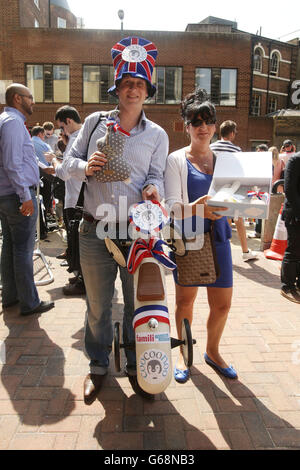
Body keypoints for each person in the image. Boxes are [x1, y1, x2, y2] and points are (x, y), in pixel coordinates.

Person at [61, 36, 169, 404]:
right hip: (93, 227)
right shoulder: (93, 123)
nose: (133, 90)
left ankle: (140, 367)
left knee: (138, 303)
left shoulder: (157, 135)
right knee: (97, 304)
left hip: (137, 232)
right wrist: (82, 165)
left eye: (139, 84)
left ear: (147, 91)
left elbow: (155, 175)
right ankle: (98, 365)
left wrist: (153, 189)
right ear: (118, 88)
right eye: (127, 84)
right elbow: (64, 165)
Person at [164, 88, 237, 384]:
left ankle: (212, 351)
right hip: (189, 241)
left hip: (220, 238)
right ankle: (183, 353)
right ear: (186, 126)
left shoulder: (227, 159)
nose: (203, 127)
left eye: (208, 121)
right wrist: (196, 210)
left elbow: (240, 196)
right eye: (196, 122)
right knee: (185, 302)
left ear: (215, 125)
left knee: (222, 304)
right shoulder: (176, 160)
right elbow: (170, 207)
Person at [0, 83, 54, 315]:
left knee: (10, 247)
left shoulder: (7, 122)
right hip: (16, 196)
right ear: (17, 98)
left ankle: (11, 296)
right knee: (23, 249)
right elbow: (12, 163)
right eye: (30, 97)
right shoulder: (12, 123)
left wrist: (44, 168)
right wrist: (25, 195)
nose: (34, 101)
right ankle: (29, 302)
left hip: (8, 195)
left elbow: (23, 157)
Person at [210, 120, 258, 261]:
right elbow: (240, 172)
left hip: (215, 189)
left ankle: (218, 251)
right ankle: (245, 251)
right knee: (239, 220)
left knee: (217, 220)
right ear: (231, 133)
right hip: (232, 190)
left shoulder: (211, 147)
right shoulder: (237, 150)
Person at [49, 105, 85, 296]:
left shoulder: (77, 140)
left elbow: (63, 173)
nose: (62, 131)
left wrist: (54, 160)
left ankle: (82, 280)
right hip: (78, 197)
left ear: (68, 121)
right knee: (77, 242)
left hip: (76, 198)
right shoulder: (83, 137)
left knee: (78, 242)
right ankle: (80, 277)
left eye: (61, 127)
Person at [280, 151, 300, 303]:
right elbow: (290, 190)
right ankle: (288, 286)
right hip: (295, 213)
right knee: (293, 249)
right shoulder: (295, 159)